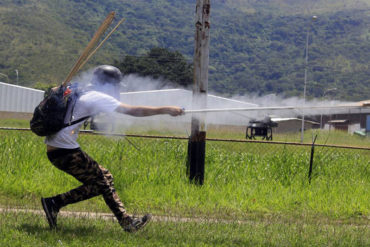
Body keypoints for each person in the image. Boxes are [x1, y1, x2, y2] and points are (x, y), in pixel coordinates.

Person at [41, 65, 183, 232]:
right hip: (65, 150)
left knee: (105, 177)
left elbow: (54, 94)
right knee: (102, 182)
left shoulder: (79, 90)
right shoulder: (97, 96)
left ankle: (125, 221)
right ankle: (54, 203)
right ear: (108, 84)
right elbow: (134, 111)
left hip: (57, 148)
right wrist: (166, 110)